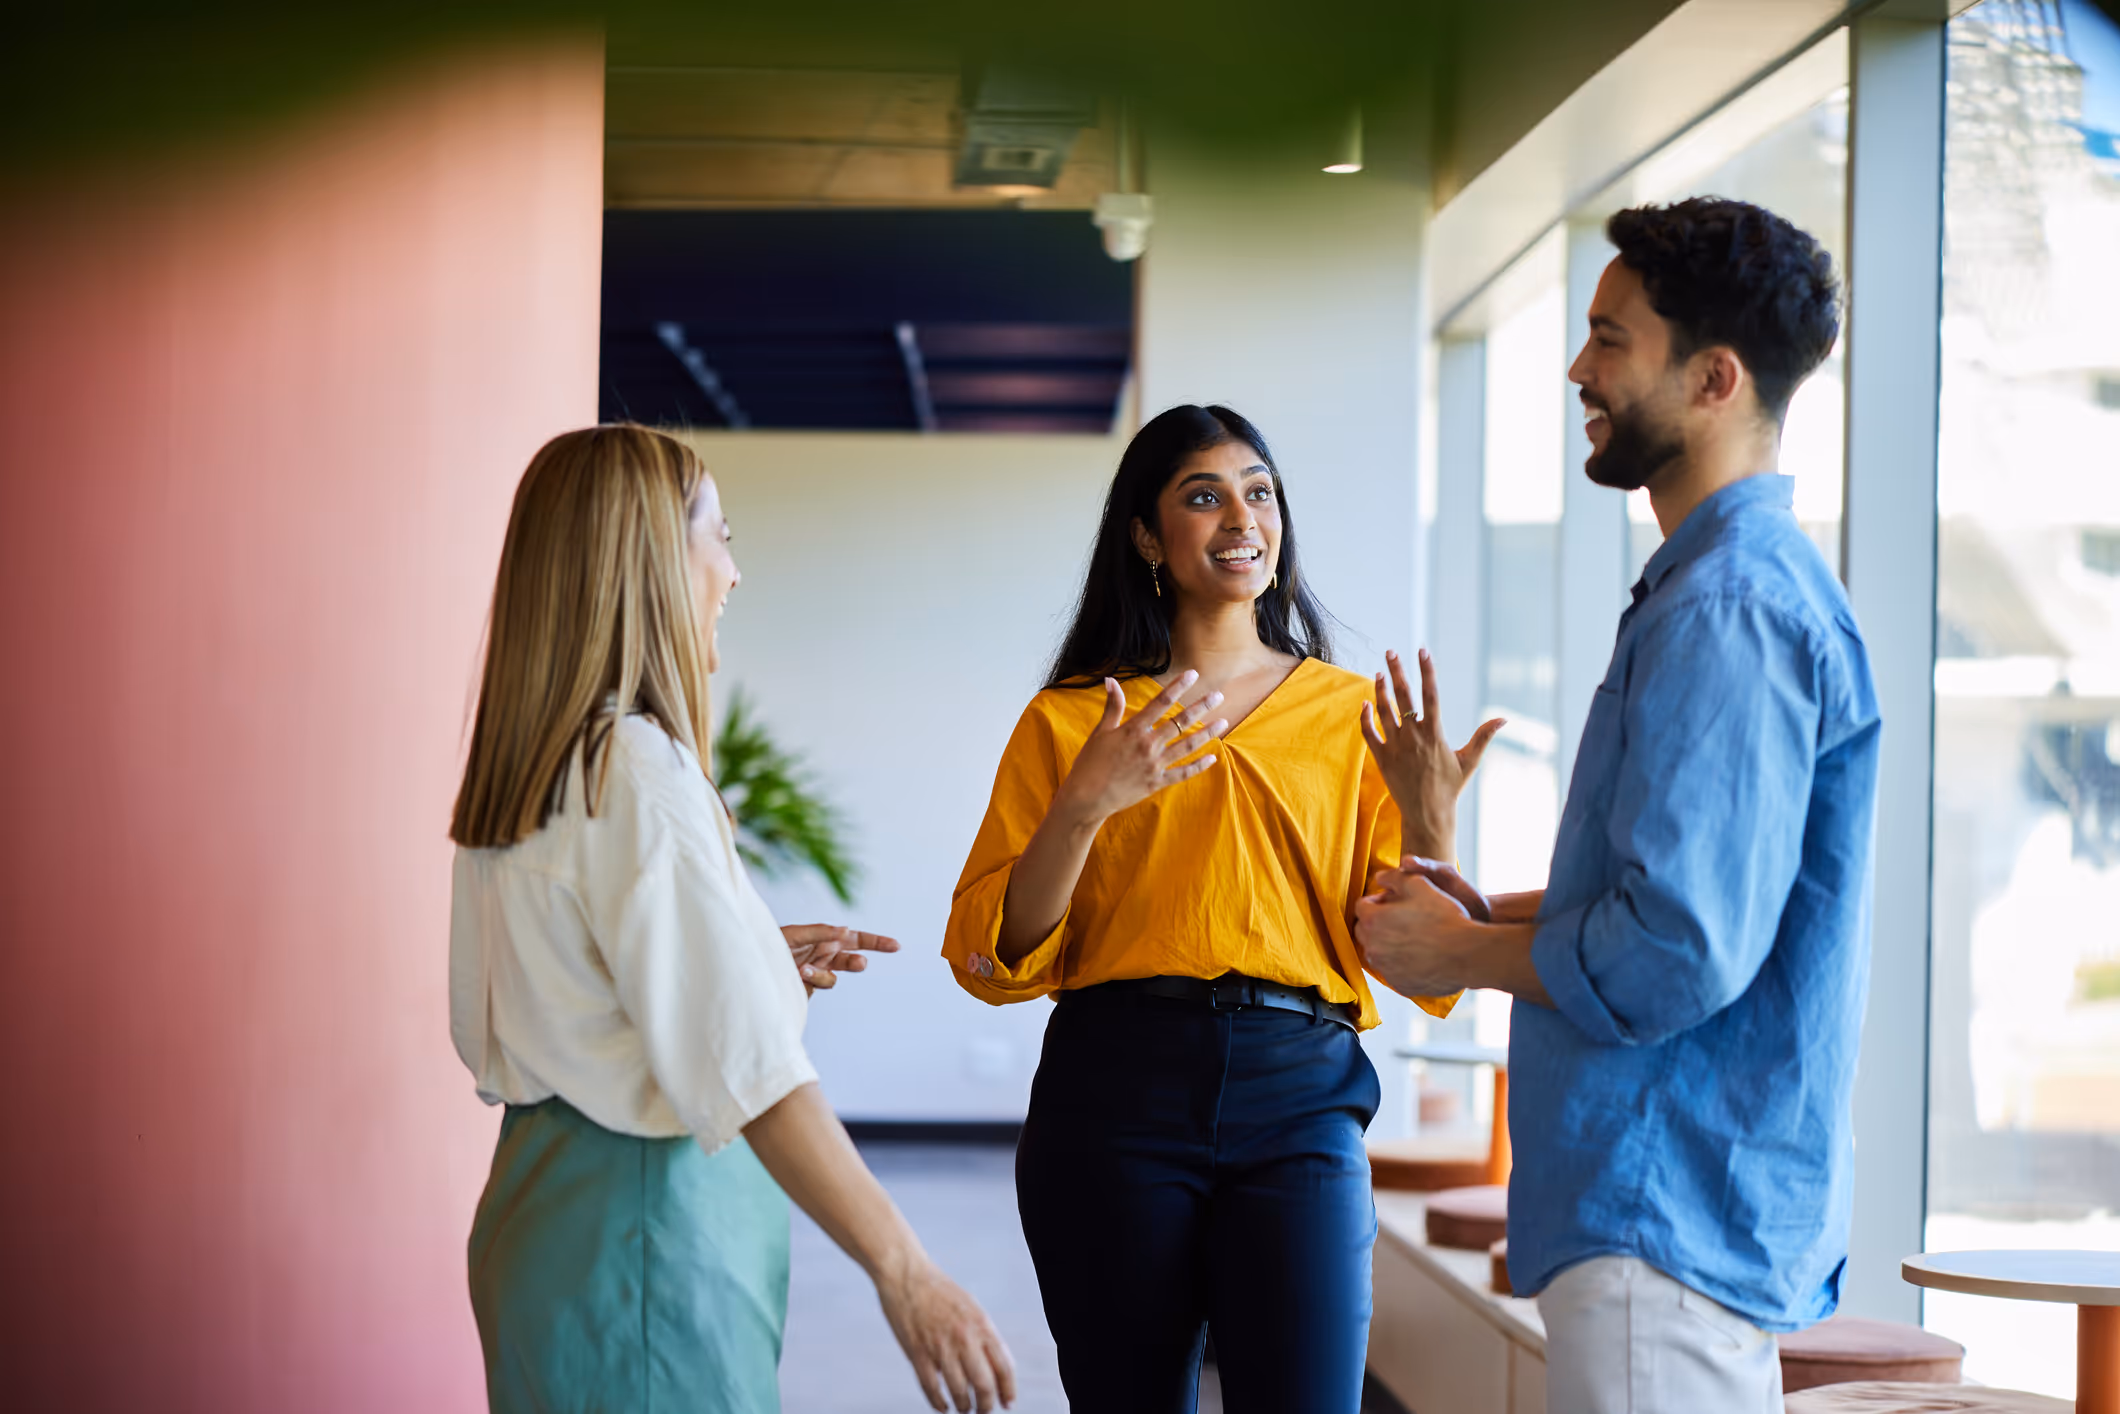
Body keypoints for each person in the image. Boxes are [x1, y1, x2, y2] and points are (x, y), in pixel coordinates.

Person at [1354, 198, 1879, 1413]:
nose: (1577, 368)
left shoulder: (1727, 608)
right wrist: (1477, 906)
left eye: (1609, 339)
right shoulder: (1719, 587)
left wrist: (1467, 950)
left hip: (1665, 1214)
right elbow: (1661, 894)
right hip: (1674, 1211)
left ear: (1711, 378)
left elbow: (1673, 949)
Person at [942, 404, 1501, 1414]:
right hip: (1113, 1097)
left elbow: (1423, 961)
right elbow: (998, 955)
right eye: (1202, 495)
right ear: (1148, 537)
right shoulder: (1074, 718)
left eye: (1257, 490)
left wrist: (1430, 825)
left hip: (1299, 1098)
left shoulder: (1347, 717)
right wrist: (1082, 805)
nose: (1239, 515)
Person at [448, 425, 1016, 1414]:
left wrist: (745, 953)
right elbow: (749, 1071)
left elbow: (581, 990)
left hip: (542, 1226)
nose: (734, 573)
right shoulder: (633, 771)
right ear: (653, 561)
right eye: (720, 535)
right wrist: (907, 1271)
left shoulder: (533, 772)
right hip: (644, 1245)